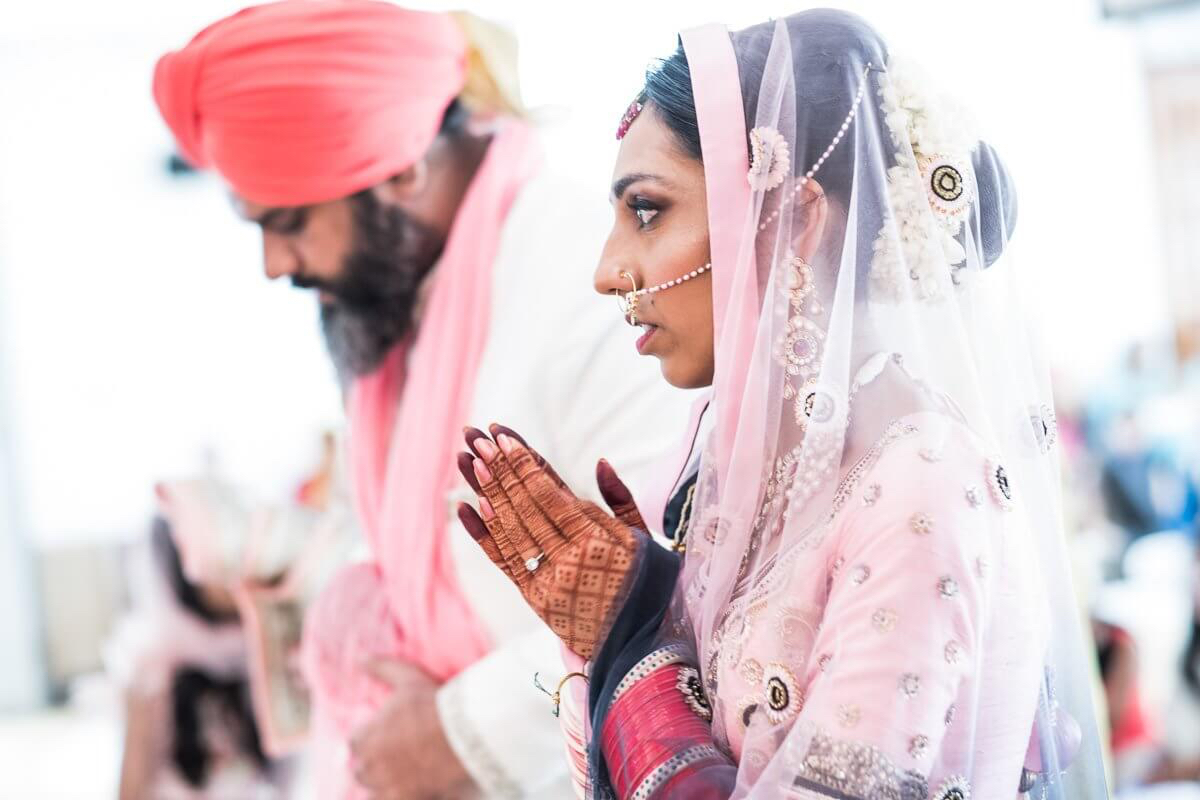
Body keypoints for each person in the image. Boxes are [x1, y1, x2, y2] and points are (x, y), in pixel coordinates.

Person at [456, 9, 1108, 798]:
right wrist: (630, 609)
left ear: (792, 220)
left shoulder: (921, 480)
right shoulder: (741, 474)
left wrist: (632, 654)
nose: (608, 270)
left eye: (647, 210)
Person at [151, 2, 689, 797]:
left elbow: (682, 586)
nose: (273, 263)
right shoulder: (405, 300)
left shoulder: (589, 278)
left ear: (400, 167)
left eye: (289, 221)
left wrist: (462, 733)